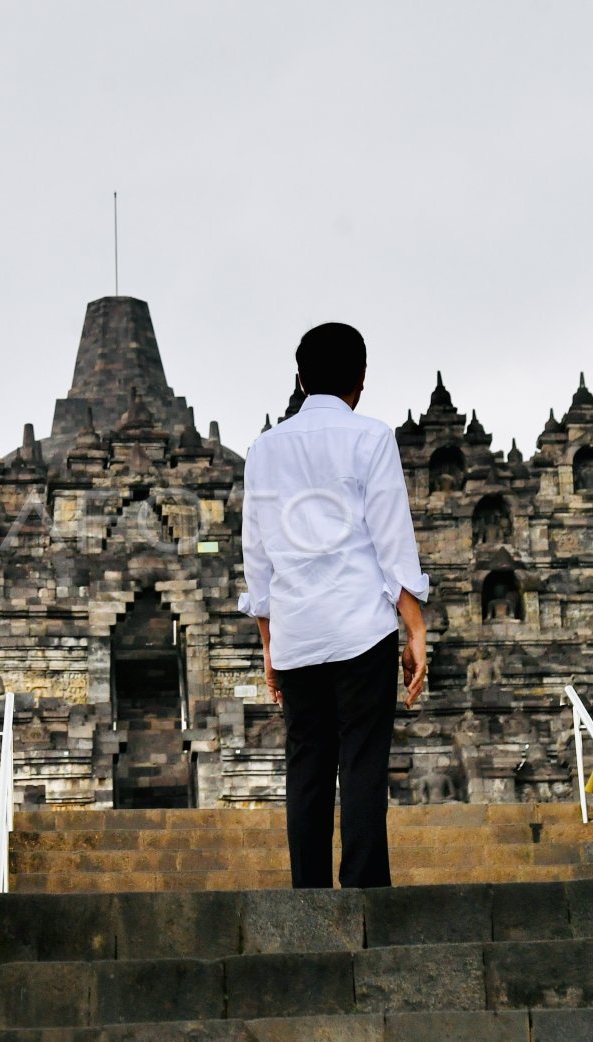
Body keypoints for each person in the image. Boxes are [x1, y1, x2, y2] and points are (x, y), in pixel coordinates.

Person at [238, 322, 429, 889]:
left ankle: (310, 901)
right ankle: (367, 893)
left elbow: (258, 555)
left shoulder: (264, 451)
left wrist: (270, 647)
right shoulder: (371, 438)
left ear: (299, 378)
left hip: (297, 632)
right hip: (362, 628)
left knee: (309, 768)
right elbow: (393, 540)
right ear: (361, 381)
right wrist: (415, 629)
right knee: (363, 763)